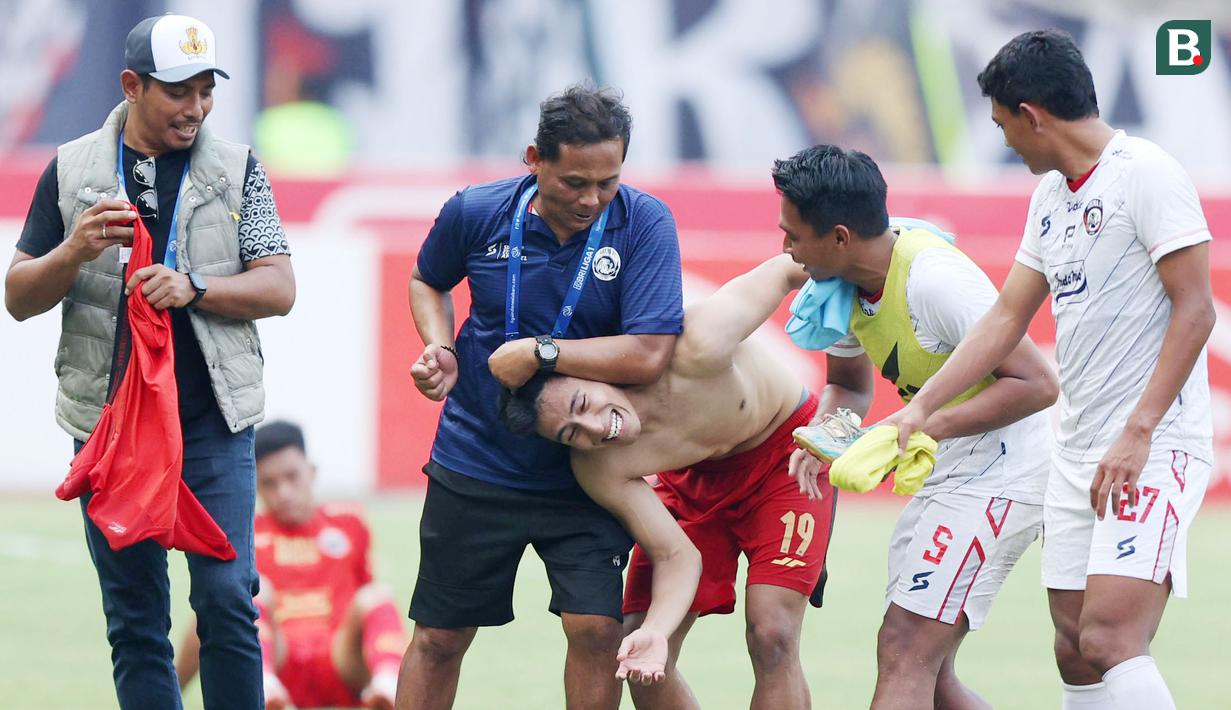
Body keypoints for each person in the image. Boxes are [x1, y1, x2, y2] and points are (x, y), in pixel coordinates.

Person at [885, 30, 1214, 710]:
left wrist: (1139, 431)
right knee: (1072, 645)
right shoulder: (1051, 197)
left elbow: (1196, 310)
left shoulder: (1145, 173)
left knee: (1109, 638)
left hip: (1149, 446)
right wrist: (920, 410)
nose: (1005, 142)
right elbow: (1005, 320)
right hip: (1075, 451)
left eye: (1004, 124)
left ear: (1031, 113)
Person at [5, 14, 294, 709]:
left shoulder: (239, 168)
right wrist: (72, 251)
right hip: (111, 433)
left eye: (205, 90)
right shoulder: (71, 169)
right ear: (131, 86)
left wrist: (196, 288)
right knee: (136, 618)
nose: (195, 108)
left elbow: (279, 287)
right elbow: (17, 296)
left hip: (212, 425)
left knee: (228, 600)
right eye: (177, 92)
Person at [400, 83, 684, 709]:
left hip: (588, 468)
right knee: (440, 638)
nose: (591, 199)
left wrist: (541, 352)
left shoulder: (643, 223)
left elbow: (648, 352)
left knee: (597, 631)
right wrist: (440, 347)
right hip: (476, 456)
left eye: (607, 181)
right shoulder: (475, 211)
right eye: (574, 181)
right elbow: (427, 279)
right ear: (535, 158)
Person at [774, 145, 1058, 709]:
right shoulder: (838, 285)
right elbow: (851, 386)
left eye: (792, 234)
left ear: (839, 237)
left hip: (1009, 468)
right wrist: (827, 436)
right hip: (945, 469)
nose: (784, 247)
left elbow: (1037, 384)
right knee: (933, 672)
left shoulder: (934, 280)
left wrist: (922, 420)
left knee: (907, 646)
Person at [499, 254, 837, 710]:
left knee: (772, 633)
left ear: (593, 372)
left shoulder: (697, 342)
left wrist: (863, 311)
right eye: (571, 434)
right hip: (693, 477)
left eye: (585, 403)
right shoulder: (596, 466)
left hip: (785, 454)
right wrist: (655, 631)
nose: (596, 428)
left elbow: (788, 268)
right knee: (638, 652)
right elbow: (676, 554)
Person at [177, 421, 405, 710]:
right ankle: (261, 689)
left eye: (292, 477)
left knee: (377, 596)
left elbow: (365, 606)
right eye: (269, 483)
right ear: (255, 485)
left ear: (311, 472)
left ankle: (389, 686)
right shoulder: (244, 533)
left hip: (338, 659)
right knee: (223, 602)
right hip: (275, 658)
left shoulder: (350, 522)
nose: (283, 492)